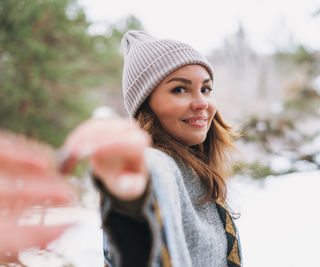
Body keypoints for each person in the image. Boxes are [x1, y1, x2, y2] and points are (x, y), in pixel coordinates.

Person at [0, 30, 242, 267]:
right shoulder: (156, 163)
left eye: (206, 89)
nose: (202, 102)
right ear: (146, 106)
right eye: (179, 89)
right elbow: (149, 186)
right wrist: (131, 204)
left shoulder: (197, 168)